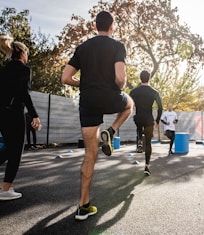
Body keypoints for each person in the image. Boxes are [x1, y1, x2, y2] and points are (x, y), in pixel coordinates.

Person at [61, 11, 133, 221]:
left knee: (89, 155)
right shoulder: (117, 46)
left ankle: (83, 205)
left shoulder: (83, 48)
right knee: (129, 104)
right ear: (112, 27)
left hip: (88, 102)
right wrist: (121, 85)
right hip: (110, 97)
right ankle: (111, 131)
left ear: (95, 27)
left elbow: (65, 78)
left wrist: (82, 83)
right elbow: (120, 78)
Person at [0, 35, 41, 200]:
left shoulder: (4, 70)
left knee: (10, 147)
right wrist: (34, 115)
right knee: (16, 150)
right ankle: (5, 189)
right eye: (27, 53)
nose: (28, 57)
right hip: (14, 113)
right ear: (22, 53)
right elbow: (24, 93)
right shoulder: (24, 69)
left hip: (0, 113)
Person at [130, 70, 162, 176]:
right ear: (149, 78)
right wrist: (157, 120)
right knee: (148, 143)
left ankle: (139, 139)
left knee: (139, 124)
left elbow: (128, 102)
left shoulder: (134, 91)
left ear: (140, 78)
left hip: (138, 117)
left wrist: (133, 106)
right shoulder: (154, 92)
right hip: (149, 119)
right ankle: (147, 166)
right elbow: (160, 107)